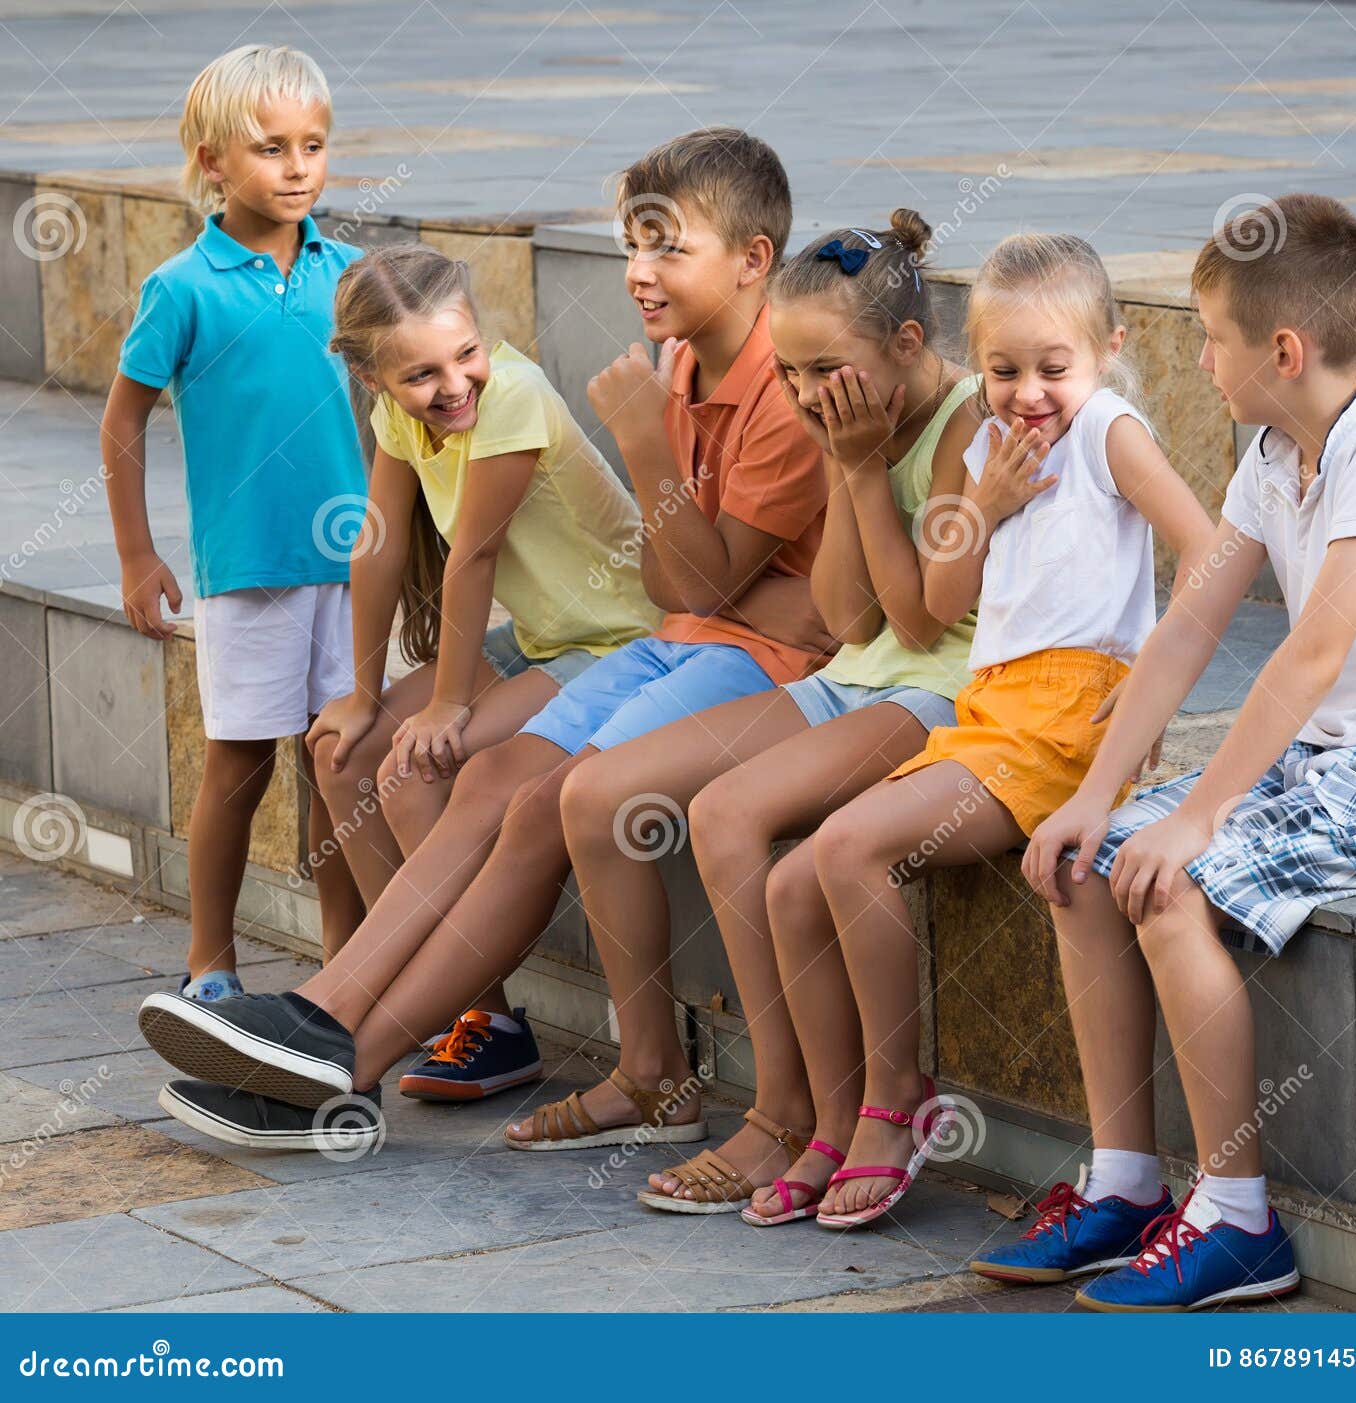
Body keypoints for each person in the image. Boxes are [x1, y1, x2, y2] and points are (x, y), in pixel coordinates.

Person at [135, 125, 831, 1149]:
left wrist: (644, 444)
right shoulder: (680, 357)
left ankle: (341, 1051)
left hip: (696, 649)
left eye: (665, 248)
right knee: (429, 766)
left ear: (752, 259)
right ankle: (340, 1021)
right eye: (632, 246)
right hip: (673, 635)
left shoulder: (775, 378)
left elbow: (693, 582)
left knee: (517, 789)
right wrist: (364, 691)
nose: (637, 272)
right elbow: (675, 580)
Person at [988, 194, 1356, 1311]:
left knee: (1170, 882)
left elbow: (1311, 654)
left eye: (1210, 338)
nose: (1199, 359)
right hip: (1327, 763)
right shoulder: (1276, 452)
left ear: (1282, 351)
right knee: (1084, 864)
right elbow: (1191, 624)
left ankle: (1236, 1219)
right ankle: (1126, 1185)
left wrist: (1197, 818)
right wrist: (1096, 793)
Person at [548, 213, 983, 1217]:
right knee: (633, 795)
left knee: (735, 812)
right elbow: (849, 619)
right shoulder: (845, 425)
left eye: (823, 369)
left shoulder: (966, 423)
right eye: (786, 372)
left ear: (906, 344)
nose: (804, 393)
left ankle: (792, 1112)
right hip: (860, 670)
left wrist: (862, 468)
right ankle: (770, 1101)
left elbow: (923, 624)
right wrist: (845, 461)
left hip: (943, 688)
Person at [786, 233, 1213, 1230]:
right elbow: (936, 606)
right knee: (791, 880)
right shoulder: (986, 449)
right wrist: (982, 503)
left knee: (845, 847)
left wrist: (1150, 690)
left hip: (1065, 715)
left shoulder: (1107, 431)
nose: (1028, 393)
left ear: (1107, 348)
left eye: (1052, 367)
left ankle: (896, 1103)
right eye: (1003, 369)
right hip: (990, 707)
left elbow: (1207, 547)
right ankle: (828, 1117)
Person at [305, 241, 657, 1099]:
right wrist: (362, 694)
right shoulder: (400, 417)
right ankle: (438, 998)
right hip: (541, 639)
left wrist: (448, 704)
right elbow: (379, 545)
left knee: (416, 766)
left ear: (479, 332)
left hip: (616, 639)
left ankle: (475, 1017)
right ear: (373, 379)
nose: (454, 383)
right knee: (341, 755)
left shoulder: (513, 397)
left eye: (465, 354)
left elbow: (475, 554)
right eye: (422, 374)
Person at [102, 44, 364, 994]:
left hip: (353, 566)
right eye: (270, 148)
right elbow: (122, 419)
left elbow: (397, 414)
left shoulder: (354, 274)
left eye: (312, 146)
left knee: (341, 765)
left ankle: (347, 965)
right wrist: (137, 554)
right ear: (213, 161)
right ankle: (209, 964)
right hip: (247, 568)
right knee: (240, 767)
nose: (297, 169)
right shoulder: (182, 286)